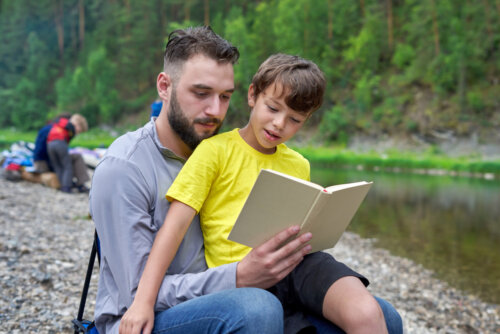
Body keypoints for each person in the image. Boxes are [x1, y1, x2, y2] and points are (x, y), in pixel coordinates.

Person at [90, 26, 402, 334]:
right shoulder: (125, 169)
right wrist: (239, 277)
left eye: (225, 96)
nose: (215, 111)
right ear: (164, 86)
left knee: (383, 316)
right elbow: (137, 296)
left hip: (244, 296)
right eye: (201, 93)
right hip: (149, 319)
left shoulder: (221, 148)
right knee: (255, 308)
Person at [45, 113, 90, 193]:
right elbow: (66, 141)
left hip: (50, 144)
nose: (77, 133)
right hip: (60, 142)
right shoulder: (70, 126)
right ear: (77, 125)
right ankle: (66, 187)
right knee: (67, 165)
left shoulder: (60, 122)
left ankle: (61, 184)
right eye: (79, 131)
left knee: (58, 166)